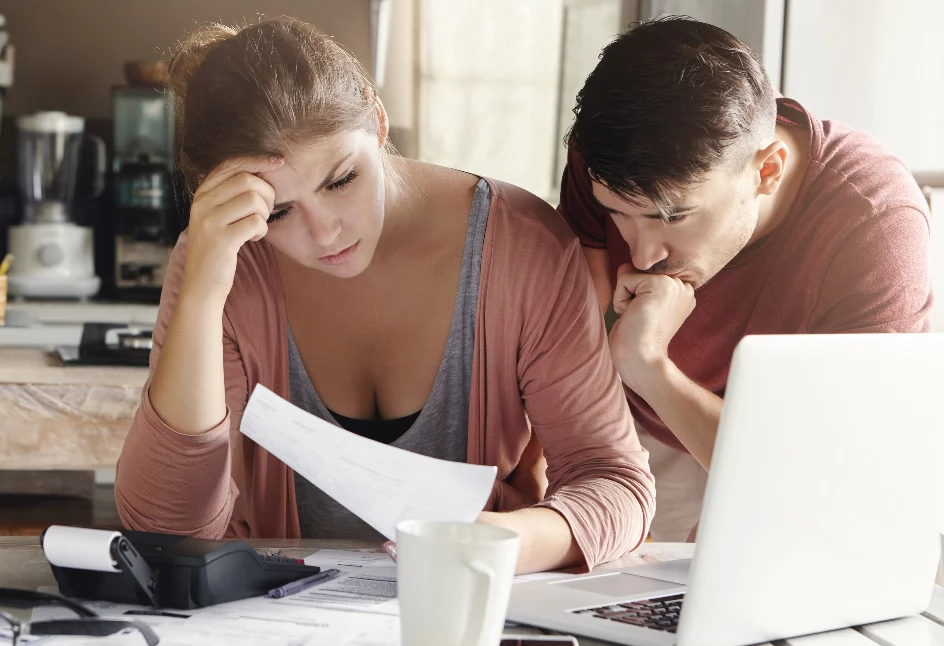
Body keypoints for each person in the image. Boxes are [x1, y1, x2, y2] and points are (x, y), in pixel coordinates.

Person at [116, 17, 655, 574]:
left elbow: (615, 483)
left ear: (377, 122)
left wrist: (499, 542)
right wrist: (203, 292)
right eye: (277, 211)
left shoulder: (525, 247)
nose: (325, 233)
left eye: (341, 180)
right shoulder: (224, 259)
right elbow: (165, 531)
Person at [559, 17, 932, 479]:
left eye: (673, 216)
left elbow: (830, 467)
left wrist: (650, 363)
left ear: (768, 170)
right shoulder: (611, 156)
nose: (641, 257)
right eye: (617, 213)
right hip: (627, 415)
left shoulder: (877, 225)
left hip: (790, 450)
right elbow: (572, 334)